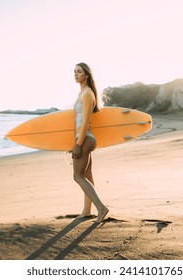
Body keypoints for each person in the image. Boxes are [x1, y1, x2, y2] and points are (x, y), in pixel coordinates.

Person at [71, 62, 109, 223]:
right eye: (74, 72)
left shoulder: (87, 94)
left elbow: (85, 121)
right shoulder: (82, 93)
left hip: (85, 139)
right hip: (84, 138)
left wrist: (78, 144)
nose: (75, 74)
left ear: (86, 75)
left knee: (77, 176)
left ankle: (101, 207)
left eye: (79, 71)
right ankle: (87, 210)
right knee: (87, 175)